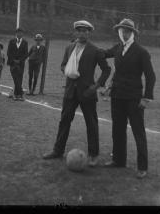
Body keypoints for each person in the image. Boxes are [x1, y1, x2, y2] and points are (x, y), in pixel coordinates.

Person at [43, 20, 111, 167]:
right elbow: (63, 64)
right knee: (64, 121)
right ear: (75, 32)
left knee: (91, 124)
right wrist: (66, 70)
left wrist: (96, 86)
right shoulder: (69, 47)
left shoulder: (95, 50)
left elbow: (107, 69)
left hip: (87, 92)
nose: (82, 33)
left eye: (85, 31)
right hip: (70, 91)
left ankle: (93, 155)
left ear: (89, 32)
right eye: (79, 30)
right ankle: (58, 150)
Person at [103, 18, 156, 179]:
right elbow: (103, 53)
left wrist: (146, 98)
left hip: (134, 98)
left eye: (127, 31)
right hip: (117, 96)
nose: (124, 33)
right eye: (122, 30)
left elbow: (151, 76)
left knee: (138, 132)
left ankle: (142, 166)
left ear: (132, 33)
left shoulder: (141, 52)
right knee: (117, 130)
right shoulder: (118, 48)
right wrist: (84, 46)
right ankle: (118, 160)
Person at [7, 28, 29, 101]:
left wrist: (20, 60)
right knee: (15, 78)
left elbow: (26, 54)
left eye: (21, 33)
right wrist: (14, 60)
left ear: (22, 34)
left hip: (21, 64)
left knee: (19, 78)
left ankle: (17, 94)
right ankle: (20, 94)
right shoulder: (11, 41)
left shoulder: (25, 42)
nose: (20, 34)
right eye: (18, 32)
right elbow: (9, 52)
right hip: (12, 63)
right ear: (16, 33)